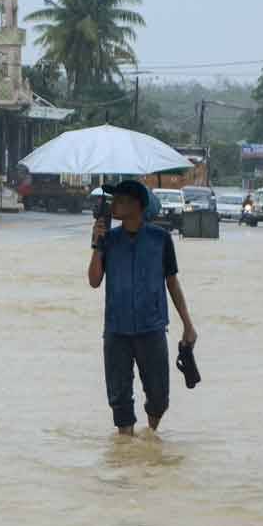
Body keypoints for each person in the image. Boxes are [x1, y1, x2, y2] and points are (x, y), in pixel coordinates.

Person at [87, 179, 198, 436]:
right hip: (116, 331)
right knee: (120, 401)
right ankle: (127, 457)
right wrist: (96, 244)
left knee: (159, 398)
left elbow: (172, 282)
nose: (113, 205)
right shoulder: (108, 239)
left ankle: (150, 438)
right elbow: (94, 281)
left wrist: (188, 325)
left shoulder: (160, 240)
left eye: (120, 200)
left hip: (152, 328)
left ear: (138, 205)